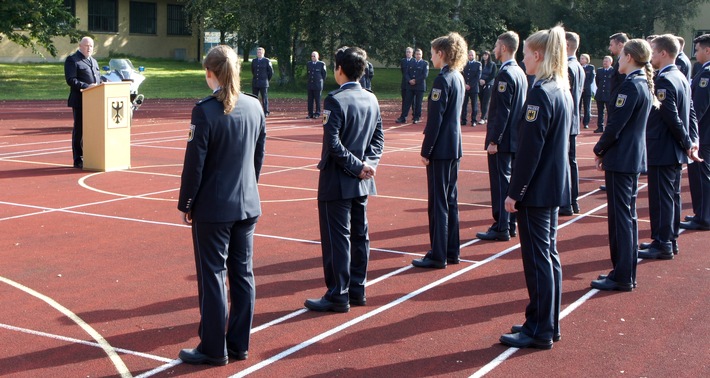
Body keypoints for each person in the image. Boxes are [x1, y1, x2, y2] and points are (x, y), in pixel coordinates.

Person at [177, 45, 266, 366]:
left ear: (209, 73)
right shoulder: (255, 107)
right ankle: (238, 344)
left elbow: (194, 166)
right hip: (247, 204)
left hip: (214, 208)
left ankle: (214, 348)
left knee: (213, 275)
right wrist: (248, 189)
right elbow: (257, 159)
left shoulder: (205, 111)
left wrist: (187, 202)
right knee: (243, 275)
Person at [500, 25, 572, 350]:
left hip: (537, 191)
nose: (524, 58)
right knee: (549, 256)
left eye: (527, 53)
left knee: (538, 259)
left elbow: (530, 151)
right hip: (551, 187)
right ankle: (544, 321)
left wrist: (514, 193)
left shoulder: (541, 93)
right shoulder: (560, 88)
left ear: (538, 55)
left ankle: (540, 329)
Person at [304, 46, 384, 313]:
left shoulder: (335, 100)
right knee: (359, 236)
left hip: (338, 180)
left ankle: (339, 292)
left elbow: (333, 144)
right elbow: (378, 139)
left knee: (338, 238)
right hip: (362, 180)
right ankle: (357, 289)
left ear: (339, 70)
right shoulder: (371, 98)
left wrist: (358, 166)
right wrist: (368, 165)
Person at [590, 39, 656, 292]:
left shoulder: (632, 86)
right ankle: (623, 272)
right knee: (626, 216)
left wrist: (599, 150)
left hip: (622, 159)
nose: (617, 60)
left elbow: (615, 126)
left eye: (620, 56)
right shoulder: (640, 83)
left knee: (622, 219)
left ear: (628, 57)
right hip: (629, 157)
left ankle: (622, 274)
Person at [638, 34, 701, 260]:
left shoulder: (663, 80)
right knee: (672, 196)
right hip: (673, 148)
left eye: (653, 52)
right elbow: (691, 112)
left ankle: (663, 242)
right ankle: (669, 238)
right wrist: (692, 140)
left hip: (663, 148)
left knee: (661, 198)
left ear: (664, 53)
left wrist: (687, 142)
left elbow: (671, 116)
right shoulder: (681, 77)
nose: (651, 56)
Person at [411, 32, 467, 269]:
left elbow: (435, 120)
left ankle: (438, 254)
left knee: (438, 203)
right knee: (450, 201)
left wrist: (426, 150)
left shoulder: (443, 80)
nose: (431, 57)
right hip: (453, 148)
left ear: (441, 54)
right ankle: (451, 251)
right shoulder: (458, 77)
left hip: (441, 150)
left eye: (433, 52)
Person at [476, 31, 528, 242]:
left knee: (500, 184)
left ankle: (501, 226)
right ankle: (510, 223)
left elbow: (502, 112)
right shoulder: (520, 72)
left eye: (497, 45)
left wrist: (494, 140)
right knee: (509, 182)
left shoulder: (506, 74)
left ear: (504, 47)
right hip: (515, 138)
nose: (494, 49)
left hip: (504, 140)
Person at [682, 34, 710, 231]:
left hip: (704, 134)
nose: (696, 53)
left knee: (701, 176)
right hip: (706, 133)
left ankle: (704, 216)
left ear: (707, 50)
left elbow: (698, 107)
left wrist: (690, 132)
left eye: (698, 49)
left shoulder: (706, 74)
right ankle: (702, 212)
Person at [559, 32, 585, 216]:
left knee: (565, 162)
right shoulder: (578, 66)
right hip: (573, 120)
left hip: (567, 121)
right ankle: (573, 200)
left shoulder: (568, 67)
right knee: (571, 161)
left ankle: (567, 202)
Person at [64, 36, 100, 169]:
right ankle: (78, 158)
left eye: (91, 46)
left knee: (92, 130)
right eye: (86, 46)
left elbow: (97, 79)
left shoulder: (94, 61)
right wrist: (87, 86)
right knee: (79, 130)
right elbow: (71, 80)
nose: (89, 48)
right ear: (80, 46)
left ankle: (91, 155)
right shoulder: (72, 60)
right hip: (80, 101)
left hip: (95, 101)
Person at [397, 48, 429, 123]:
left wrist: (415, 80)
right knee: (406, 102)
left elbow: (425, 75)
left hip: (419, 86)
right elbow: (406, 73)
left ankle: (416, 117)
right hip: (410, 85)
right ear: (414, 55)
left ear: (422, 55)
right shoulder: (411, 62)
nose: (418, 56)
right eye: (417, 54)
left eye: (419, 54)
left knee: (418, 103)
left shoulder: (425, 63)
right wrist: (409, 80)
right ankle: (403, 117)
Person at [461, 49, 482, 126]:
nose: (470, 56)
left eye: (472, 55)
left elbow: (478, 76)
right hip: (465, 87)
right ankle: (463, 120)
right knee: (464, 104)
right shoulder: (464, 64)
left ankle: (474, 120)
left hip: (474, 88)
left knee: (474, 105)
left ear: (475, 56)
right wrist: (465, 84)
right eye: (469, 55)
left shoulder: (478, 64)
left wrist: (470, 85)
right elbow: (462, 75)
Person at [251, 47, 273, 116]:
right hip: (255, 82)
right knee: (254, 97)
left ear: (263, 53)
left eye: (260, 52)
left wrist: (267, 79)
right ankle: (255, 111)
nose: (259, 54)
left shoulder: (267, 61)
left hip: (263, 82)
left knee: (264, 98)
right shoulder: (254, 61)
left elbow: (271, 72)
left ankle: (266, 111)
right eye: (258, 52)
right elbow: (253, 70)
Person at [594, 56, 614, 133]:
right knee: (600, 111)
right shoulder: (599, 71)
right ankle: (600, 126)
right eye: (604, 61)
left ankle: (608, 127)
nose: (605, 62)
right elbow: (597, 82)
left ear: (610, 62)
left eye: (607, 61)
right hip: (600, 94)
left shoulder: (613, 71)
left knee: (609, 112)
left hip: (609, 94)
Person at [478, 51, 498, 124]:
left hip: (489, 84)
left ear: (489, 56)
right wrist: (479, 80)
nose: (484, 56)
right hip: (480, 84)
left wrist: (485, 81)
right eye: (483, 55)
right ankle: (485, 117)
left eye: (486, 55)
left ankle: (482, 118)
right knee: (481, 100)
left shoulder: (493, 65)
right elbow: (477, 73)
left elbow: (493, 75)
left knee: (486, 101)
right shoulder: (480, 64)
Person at [306, 51, 327, 119]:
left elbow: (324, 74)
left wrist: (320, 81)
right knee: (310, 100)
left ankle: (317, 113)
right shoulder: (309, 64)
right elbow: (308, 73)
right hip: (310, 84)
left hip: (317, 84)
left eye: (314, 56)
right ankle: (310, 113)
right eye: (312, 56)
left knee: (317, 100)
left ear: (318, 56)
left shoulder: (321, 64)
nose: (313, 57)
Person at [396, 47, 415, 122]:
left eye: (409, 52)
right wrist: (407, 79)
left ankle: (415, 116)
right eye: (407, 52)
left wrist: (411, 80)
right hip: (404, 83)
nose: (408, 53)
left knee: (413, 101)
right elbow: (403, 72)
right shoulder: (403, 61)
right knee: (404, 100)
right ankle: (403, 117)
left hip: (412, 84)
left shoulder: (414, 61)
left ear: (412, 53)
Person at [580, 53, 595, 129]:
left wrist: (584, 87)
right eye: (581, 58)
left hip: (587, 90)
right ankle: (577, 122)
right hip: (579, 90)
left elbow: (590, 79)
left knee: (587, 107)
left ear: (587, 60)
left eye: (583, 58)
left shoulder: (591, 67)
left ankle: (586, 123)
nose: (581, 59)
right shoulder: (578, 67)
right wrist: (580, 87)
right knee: (577, 107)